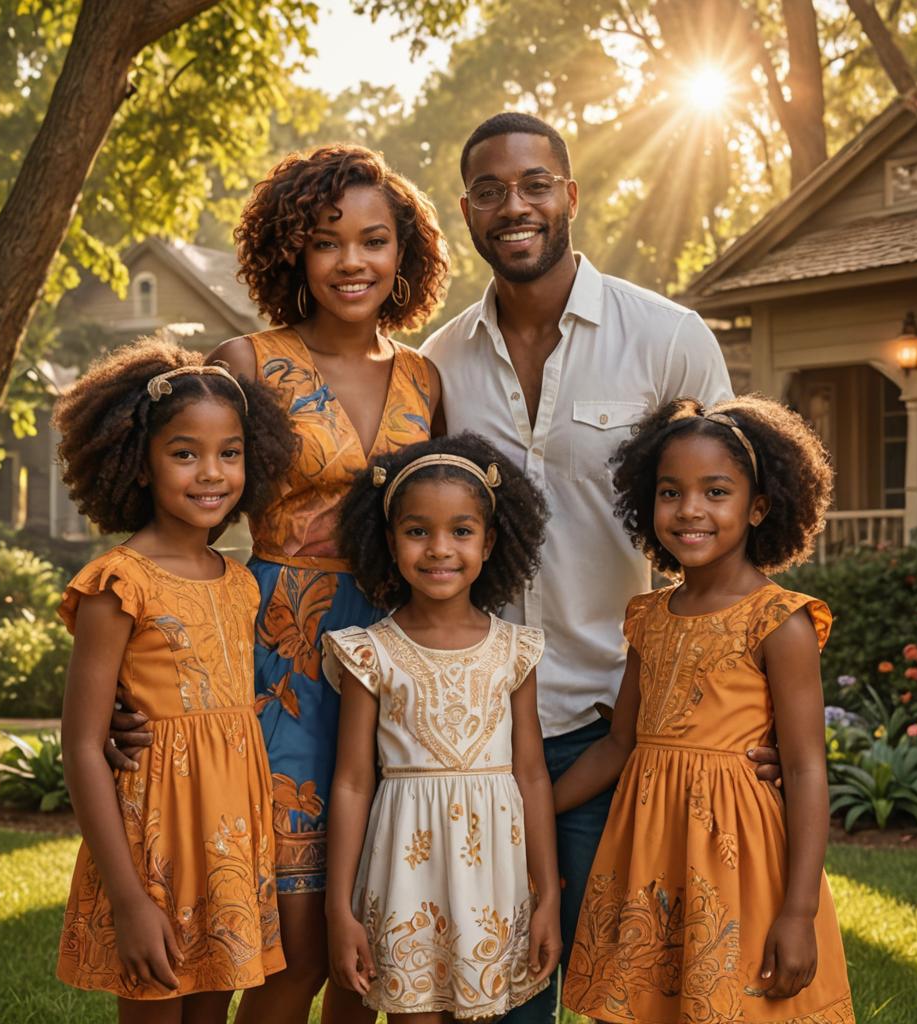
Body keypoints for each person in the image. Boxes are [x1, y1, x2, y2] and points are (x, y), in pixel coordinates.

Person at [420, 111, 782, 1022]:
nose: (517, 206)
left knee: (655, 993)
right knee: (492, 998)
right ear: (466, 210)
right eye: (492, 191)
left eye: (536, 184)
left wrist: (759, 710)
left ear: (570, 195)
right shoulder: (434, 367)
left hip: (621, 730)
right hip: (472, 733)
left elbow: (731, 516)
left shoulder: (668, 339)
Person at [108, 144, 450, 1024]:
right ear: (292, 250)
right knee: (284, 947)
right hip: (270, 668)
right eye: (328, 241)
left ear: (402, 254)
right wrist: (126, 675)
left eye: (374, 241)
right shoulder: (250, 361)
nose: (353, 262)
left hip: (392, 661)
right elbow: (182, 526)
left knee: (366, 940)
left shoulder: (424, 378)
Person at [558, 396, 854, 1023]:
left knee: (734, 1003)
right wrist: (530, 808)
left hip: (739, 858)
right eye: (671, 492)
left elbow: (804, 770)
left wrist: (798, 910)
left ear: (758, 508)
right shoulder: (648, 617)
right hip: (649, 853)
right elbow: (621, 744)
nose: (691, 510)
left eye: (715, 492)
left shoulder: (779, 621)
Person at [52, 339, 298, 1022]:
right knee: (157, 1003)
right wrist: (130, 900)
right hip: (153, 846)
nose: (210, 473)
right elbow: (81, 746)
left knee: (212, 1007)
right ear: (138, 462)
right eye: (184, 453)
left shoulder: (242, 582)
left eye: (230, 453)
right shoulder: (118, 584)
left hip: (227, 842)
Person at [322, 433, 562, 1023]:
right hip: (405, 871)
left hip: (495, 879)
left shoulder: (516, 651)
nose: (439, 550)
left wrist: (548, 893)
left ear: (490, 542)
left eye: (461, 531)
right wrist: (338, 908)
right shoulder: (369, 654)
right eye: (417, 531)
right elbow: (353, 783)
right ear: (389, 541)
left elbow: (531, 775)